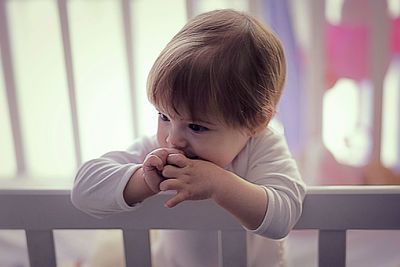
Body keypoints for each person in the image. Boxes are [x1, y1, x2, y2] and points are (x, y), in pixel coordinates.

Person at [71, 9, 306, 267]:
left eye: (196, 126)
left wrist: (218, 183)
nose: (173, 139)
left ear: (256, 122)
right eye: (164, 116)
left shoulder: (264, 147)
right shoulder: (160, 153)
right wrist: (144, 180)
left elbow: (284, 216)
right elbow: (84, 189)